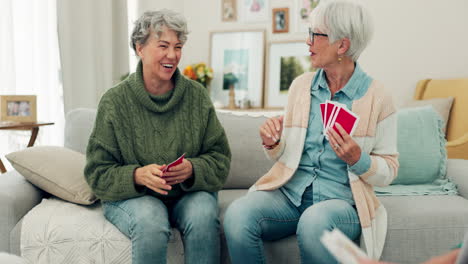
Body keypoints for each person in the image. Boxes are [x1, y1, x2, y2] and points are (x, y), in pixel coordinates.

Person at [223, 1, 399, 263]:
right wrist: (273, 142)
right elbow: (285, 155)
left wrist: (357, 159)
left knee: (313, 222)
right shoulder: (301, 87)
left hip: (341, 203)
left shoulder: (378, 97)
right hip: (290, 196)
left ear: (342, 45)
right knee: (237, 215)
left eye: (315, 35)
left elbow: (390, 170)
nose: (308, 42)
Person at [84, 9, 231, 264]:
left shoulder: (196, 96)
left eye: (178, 46)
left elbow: (220, 159)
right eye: (163, 45)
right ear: (140, 48)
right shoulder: (114, 101)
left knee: (203, 214)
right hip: (135, 199)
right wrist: (137, 175)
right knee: (150, 220)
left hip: (186, 196)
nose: (172, 55)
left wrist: (192, 169)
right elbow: (97, 173)